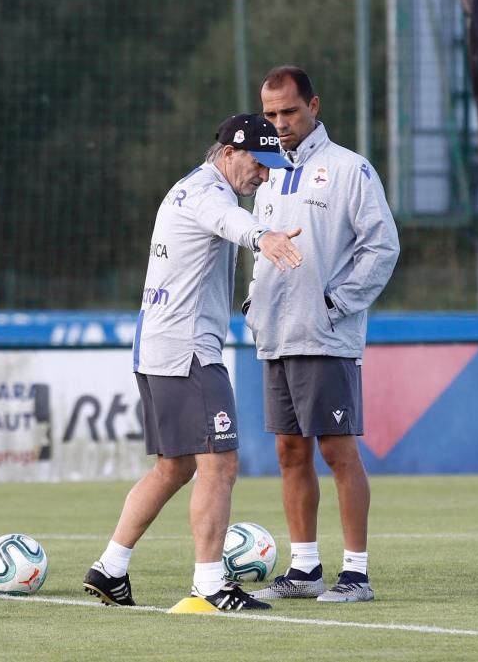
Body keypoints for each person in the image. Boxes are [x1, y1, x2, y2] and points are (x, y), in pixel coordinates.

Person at [83, 114, 303, 611]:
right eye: (259, 163)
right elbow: (232, 223)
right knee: (221, 463)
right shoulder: (210, 194)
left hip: (157, 346)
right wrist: (263, 237)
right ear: (228, 153)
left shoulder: (190, 186)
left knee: (175, 467)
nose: (265, 175)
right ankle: (209, 585)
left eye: (272, 166)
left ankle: (110, 567)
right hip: (188, 352)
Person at [244, 66, 400, 603]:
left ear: (314, 105)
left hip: (325, 336)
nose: (280, 123)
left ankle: (356, 573)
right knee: (290, 451)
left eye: (289, 111)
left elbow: (382, 247)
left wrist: (337, 302)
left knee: (337, 450)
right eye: (270, 114)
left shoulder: (349, 169)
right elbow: (262, 244)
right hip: (275, 335)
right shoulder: (264, 174)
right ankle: (305, 567)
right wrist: (252, 300)